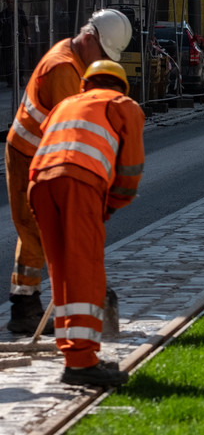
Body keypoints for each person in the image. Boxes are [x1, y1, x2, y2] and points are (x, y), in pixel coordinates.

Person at [5, 9, 131, 336]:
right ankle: (25, 308)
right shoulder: (64, 69)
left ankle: (27, 302)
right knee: (35, 230)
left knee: (37, 230)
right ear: (89, 38)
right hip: (30, 153)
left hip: (42, 152)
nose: (101, 62)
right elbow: (75, 128)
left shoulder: (75, 59)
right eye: (102, 54)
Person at [28, 59, 144, 387]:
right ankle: (81, 363)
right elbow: (129, 175)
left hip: (39, 183)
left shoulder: (66, 104)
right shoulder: (124, 106)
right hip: (79, 183)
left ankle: (76, 356)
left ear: (85, 84)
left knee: (62, 272)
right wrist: (108, 207)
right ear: (122, 86)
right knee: (85, 270)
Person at [0, 0, 31, 87]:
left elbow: (26, 25)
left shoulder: (20, 13)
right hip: (7, 41)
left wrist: (28, 38)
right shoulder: (3, 14)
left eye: (12, 2)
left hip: (19, 40)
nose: (10, 4)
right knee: (8, 62)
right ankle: (10, 81)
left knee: (20, 61)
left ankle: (20, 78)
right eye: (9, 2)